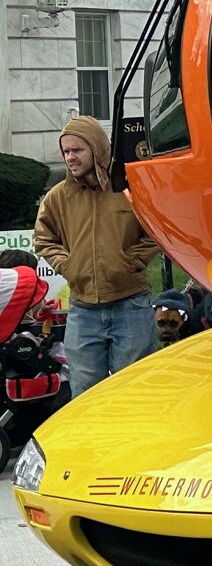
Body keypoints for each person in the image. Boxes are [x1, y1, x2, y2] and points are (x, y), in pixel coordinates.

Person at [32, 116, 161, 393]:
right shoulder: (57, 197)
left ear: (98, 148)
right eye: (66, 151)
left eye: (77, 150)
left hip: (131, 305)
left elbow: (157, 229)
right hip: (83, 309)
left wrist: (131, 263)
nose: (70, 157)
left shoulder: (129, 190)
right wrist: (68, 266)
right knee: (85, 394)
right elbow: (43, 238)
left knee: (134, 391)